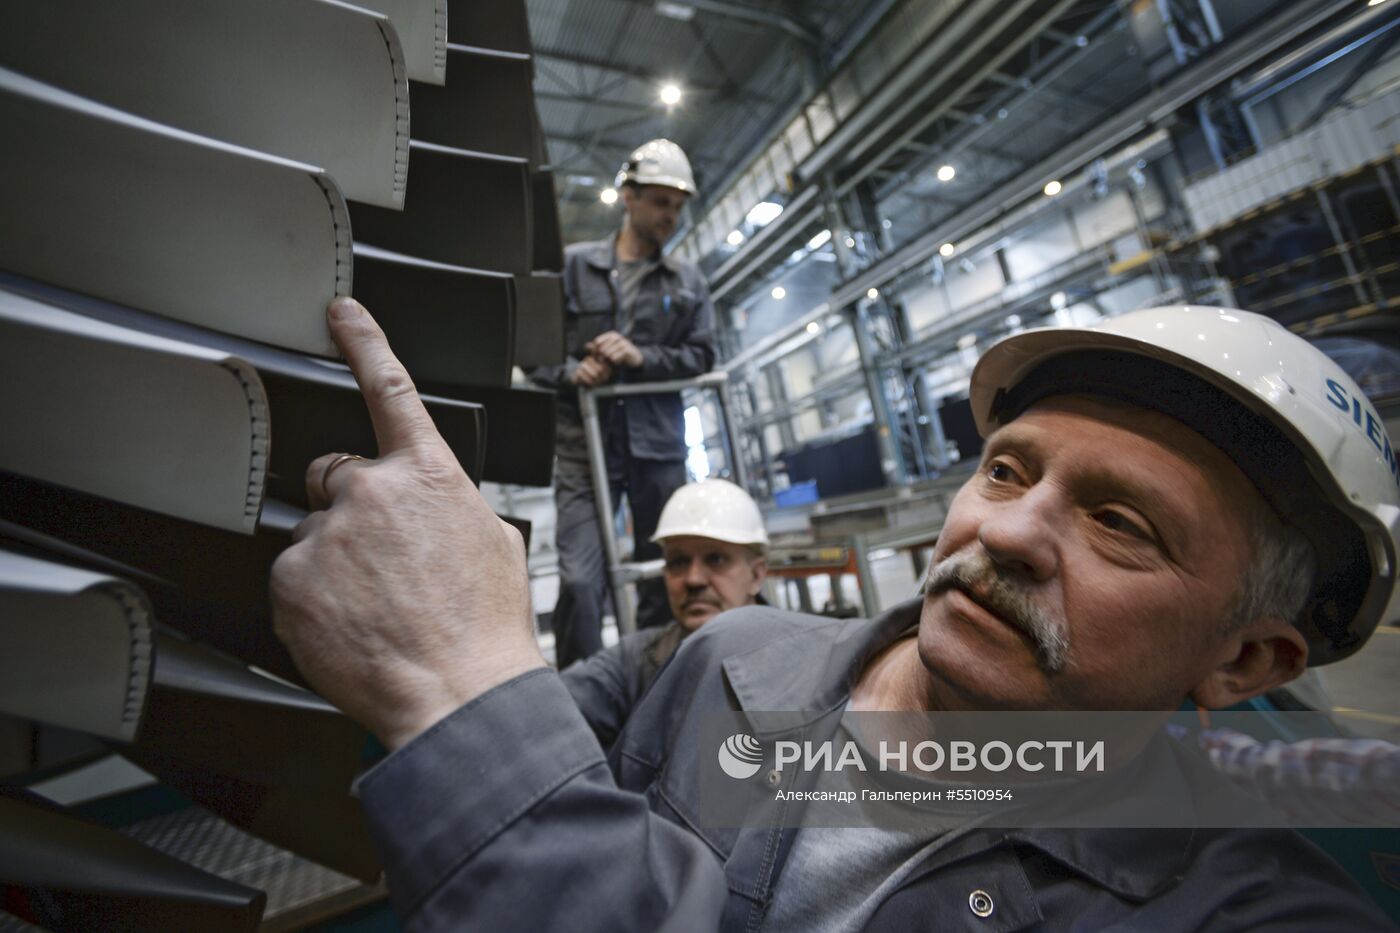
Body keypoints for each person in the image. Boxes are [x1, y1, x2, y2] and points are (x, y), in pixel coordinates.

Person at [271, 299, 1399, 929]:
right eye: (1005, 472)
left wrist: (464, 698)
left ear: (1247, 658)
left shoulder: (1244, 915)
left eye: (1119, 523)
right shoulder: (734, 660)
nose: (1004, 533)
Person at [532, 139, 716, 669]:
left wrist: (642, 357)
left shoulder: (687, 280)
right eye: (661, 202)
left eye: (679, 206)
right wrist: (573, 372)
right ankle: (583, 700)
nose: (671, 217)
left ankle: (660, 687)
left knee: (664, 575)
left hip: (657, 449)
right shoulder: (572, 268)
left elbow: (702, 353)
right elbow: (533, 352)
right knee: (580, 582)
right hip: (583, 449)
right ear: (628, 197)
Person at [562, 478, 768, 748]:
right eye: (678, 561)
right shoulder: (633, 664)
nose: (693, 580)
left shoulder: (807, 660)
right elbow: (547, 711)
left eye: (716, 559)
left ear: (756, 575)